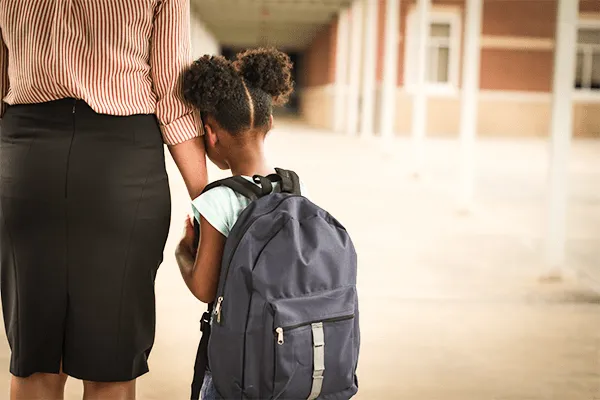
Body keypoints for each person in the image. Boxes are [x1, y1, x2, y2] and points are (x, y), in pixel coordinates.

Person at [0, 1, 207, 399]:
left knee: (35, 359)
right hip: (122, 165)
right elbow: (172, 94)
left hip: (27, 163)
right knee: (110, 364)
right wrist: (206, 203)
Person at [174, 48, 304, 399]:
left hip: (236, 368)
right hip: (287, 358)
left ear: (211, 135)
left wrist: (184, 251)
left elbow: (204, 287)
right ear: (270, 124)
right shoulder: (292, 188)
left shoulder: (218, 201)